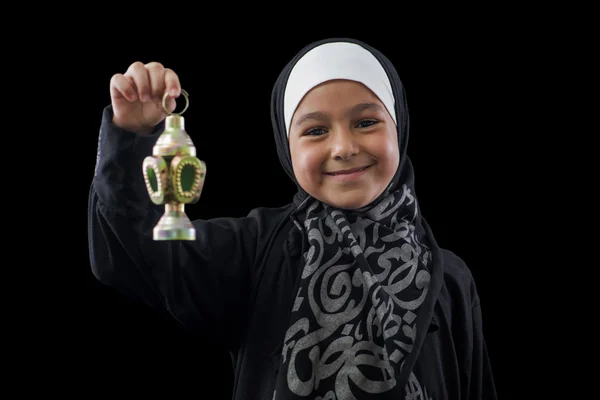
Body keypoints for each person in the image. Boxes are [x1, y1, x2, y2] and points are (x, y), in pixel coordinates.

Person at [88, 37, 497, 399]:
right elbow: (131, 252)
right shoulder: (255, 250)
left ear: (399, 127)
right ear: (287, 146)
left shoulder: (449, 278)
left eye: (367, 122)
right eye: (315, 131)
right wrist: (132, 138)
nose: (343, 147)